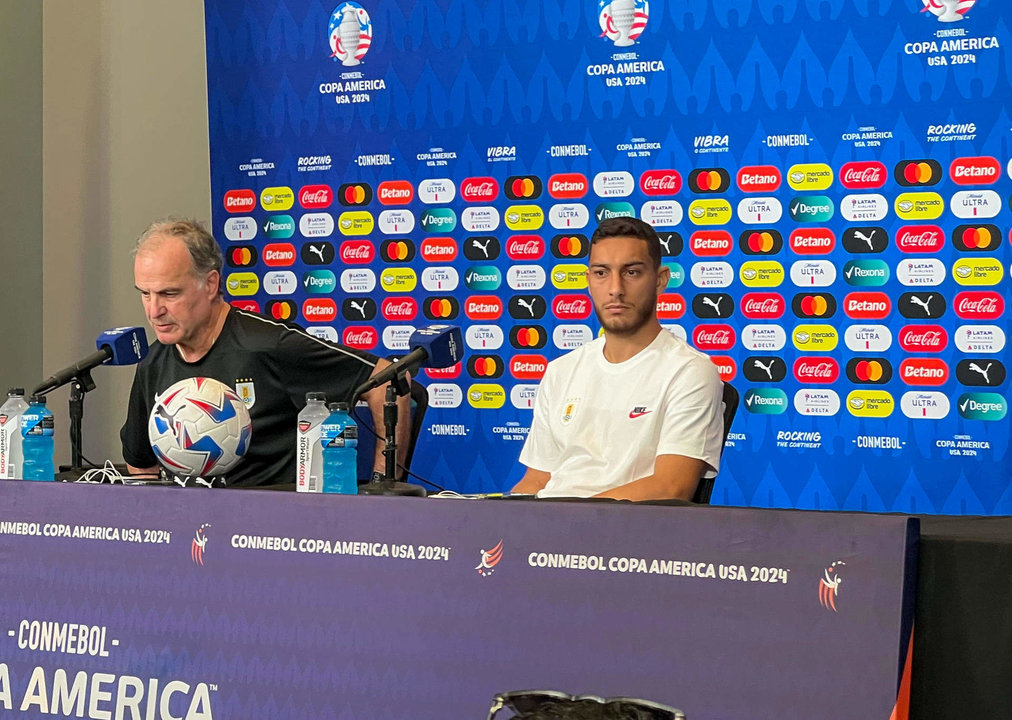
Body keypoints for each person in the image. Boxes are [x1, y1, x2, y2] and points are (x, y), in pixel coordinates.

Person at [121, 218, 409, 486]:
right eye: (145, 294)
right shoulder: (153, 361)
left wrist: (381, 490)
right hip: (193, 529)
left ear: (210, 284)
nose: (154, 311)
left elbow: (389, 379)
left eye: (169, 294)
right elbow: (140, 464)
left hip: (272, 527)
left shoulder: (268, 345)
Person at [514, 217, 724, 501]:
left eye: (632, 272)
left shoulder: (689, 371)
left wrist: (564, 521)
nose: (615, 289)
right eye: (602, 273)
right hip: (548, 532)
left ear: (660, 281)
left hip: (628, 538)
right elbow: (536, 480)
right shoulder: (560, 370)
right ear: (588, 281)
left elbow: (671, 487)